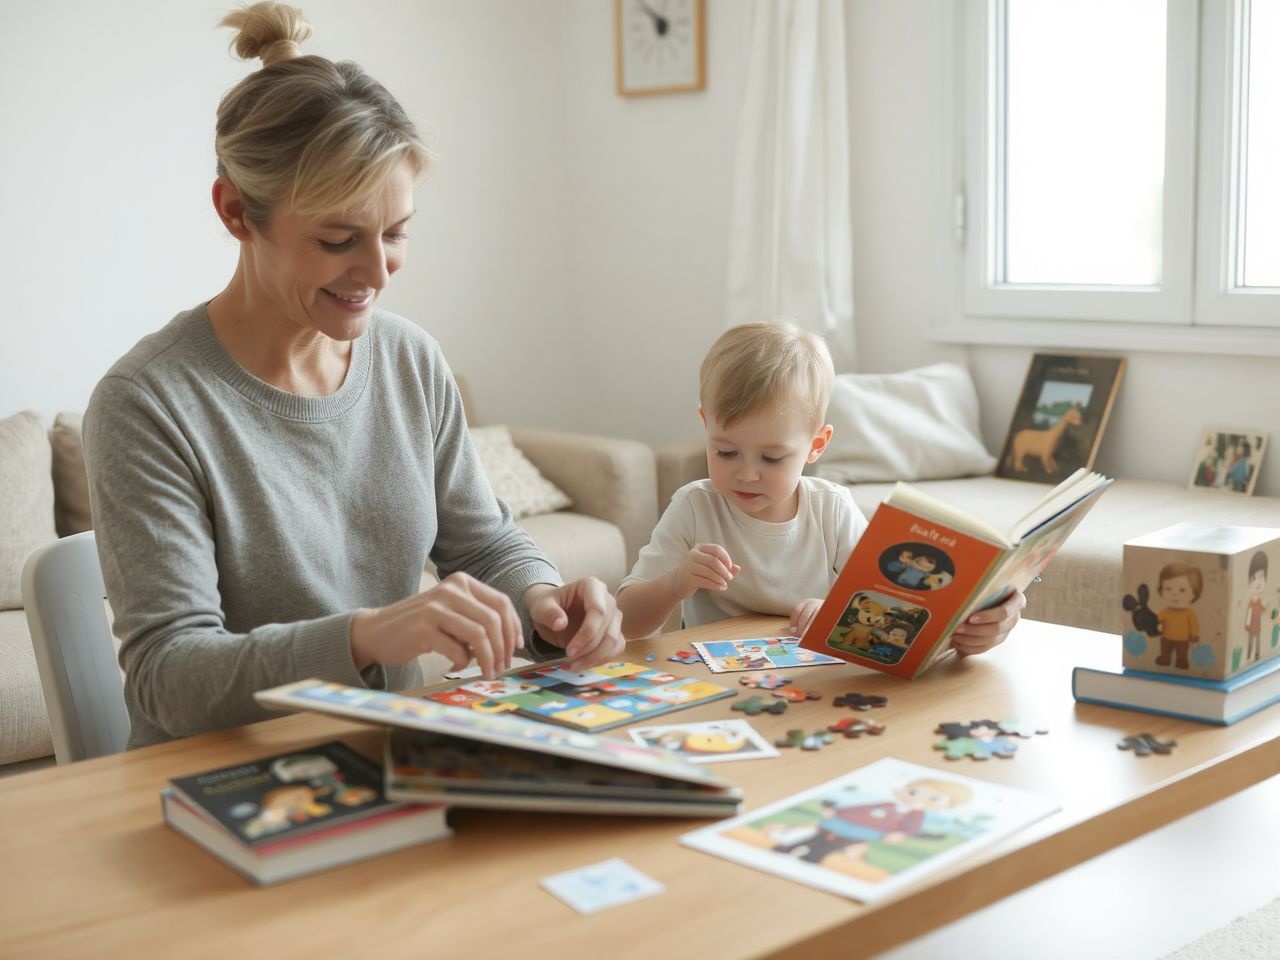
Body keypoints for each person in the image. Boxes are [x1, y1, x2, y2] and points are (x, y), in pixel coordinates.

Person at [82, 2, 622, 749]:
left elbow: (484, 544)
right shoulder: (147, 404)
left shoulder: (410, 361)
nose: (377, 273)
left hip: (396, 752)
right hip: (225, 782)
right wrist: (366, 637)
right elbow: (169, 679)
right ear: (237, 213)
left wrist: (545, 603)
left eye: (396, 234)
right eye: (339, 240)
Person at [615, 321, 1025, 652]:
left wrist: (835, 611)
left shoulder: (832, 508)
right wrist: (675, 583)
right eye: (725, 452)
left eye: (772, 458)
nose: (747, 474)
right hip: (714, 682)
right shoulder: (694, 507)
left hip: (815, 681)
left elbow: (893, 612)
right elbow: (628, 623)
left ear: (816, 446)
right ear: (706, 426)